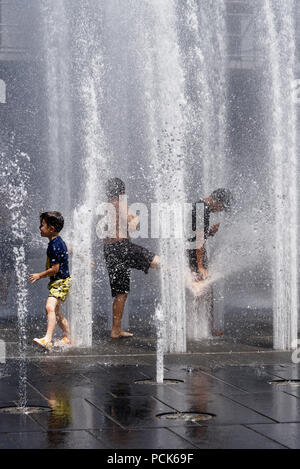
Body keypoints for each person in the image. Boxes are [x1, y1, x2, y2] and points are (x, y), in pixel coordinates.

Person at [101, 178, 160, 339]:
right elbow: (131, 220)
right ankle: (192, 282)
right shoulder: (119, 203)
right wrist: (135, 221)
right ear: (121, 191)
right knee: (160, 262)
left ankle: (116, 329)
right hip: (122, 247)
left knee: (121, 293)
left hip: (110, 250)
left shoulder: (105, 207)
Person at [187, 188, 233, 334]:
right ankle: (198, 326)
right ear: (218, 201)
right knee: (201, 287)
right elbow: (198, 239)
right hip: (194, 253)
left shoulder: (200, 207)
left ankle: (206, 326)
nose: (220, 211)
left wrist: (210, 233)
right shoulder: (202, 209)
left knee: (205, 289)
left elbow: (197, 234)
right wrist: (200, 265)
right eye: (222, 207)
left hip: (193, 251)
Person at [29, 211, 72, 350]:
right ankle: (69, 338)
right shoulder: (57, 242)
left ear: (51, 229)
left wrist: (39, 275)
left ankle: (47, 339)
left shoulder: (54, 246)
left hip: (61, 282)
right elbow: (68, 250)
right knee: (57, 312)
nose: (39, 228)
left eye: (42, 225)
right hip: (60, 281)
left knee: (49, 307)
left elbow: (55, 269)